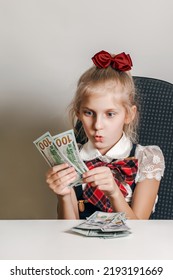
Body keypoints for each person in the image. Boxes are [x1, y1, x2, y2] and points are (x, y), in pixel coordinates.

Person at [46, 50, 165, 220]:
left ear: (129, 115)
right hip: (79, 246)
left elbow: (140, 230)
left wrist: (114, 193)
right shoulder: (70, 157)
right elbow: (67, 230)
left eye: (110, 114)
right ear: (78, 113)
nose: (97, 125)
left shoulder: (147, 158)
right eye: (89, 113)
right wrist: (63, 196)